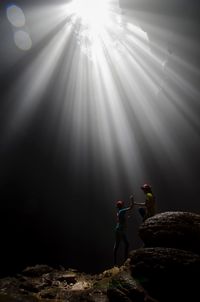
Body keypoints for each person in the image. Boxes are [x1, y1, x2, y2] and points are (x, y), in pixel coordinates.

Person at [113, 194, 134, 266]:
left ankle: (114, 263)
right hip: (121, 230)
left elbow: (120, 220)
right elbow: (131, 207)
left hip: (117, 229)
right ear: (121, 206)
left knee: (117, 245)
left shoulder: (119, 212)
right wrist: (132, 199)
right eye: (122, 204)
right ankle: (125, 260)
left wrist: (126, 218)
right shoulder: (122, 211)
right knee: (127, 244)